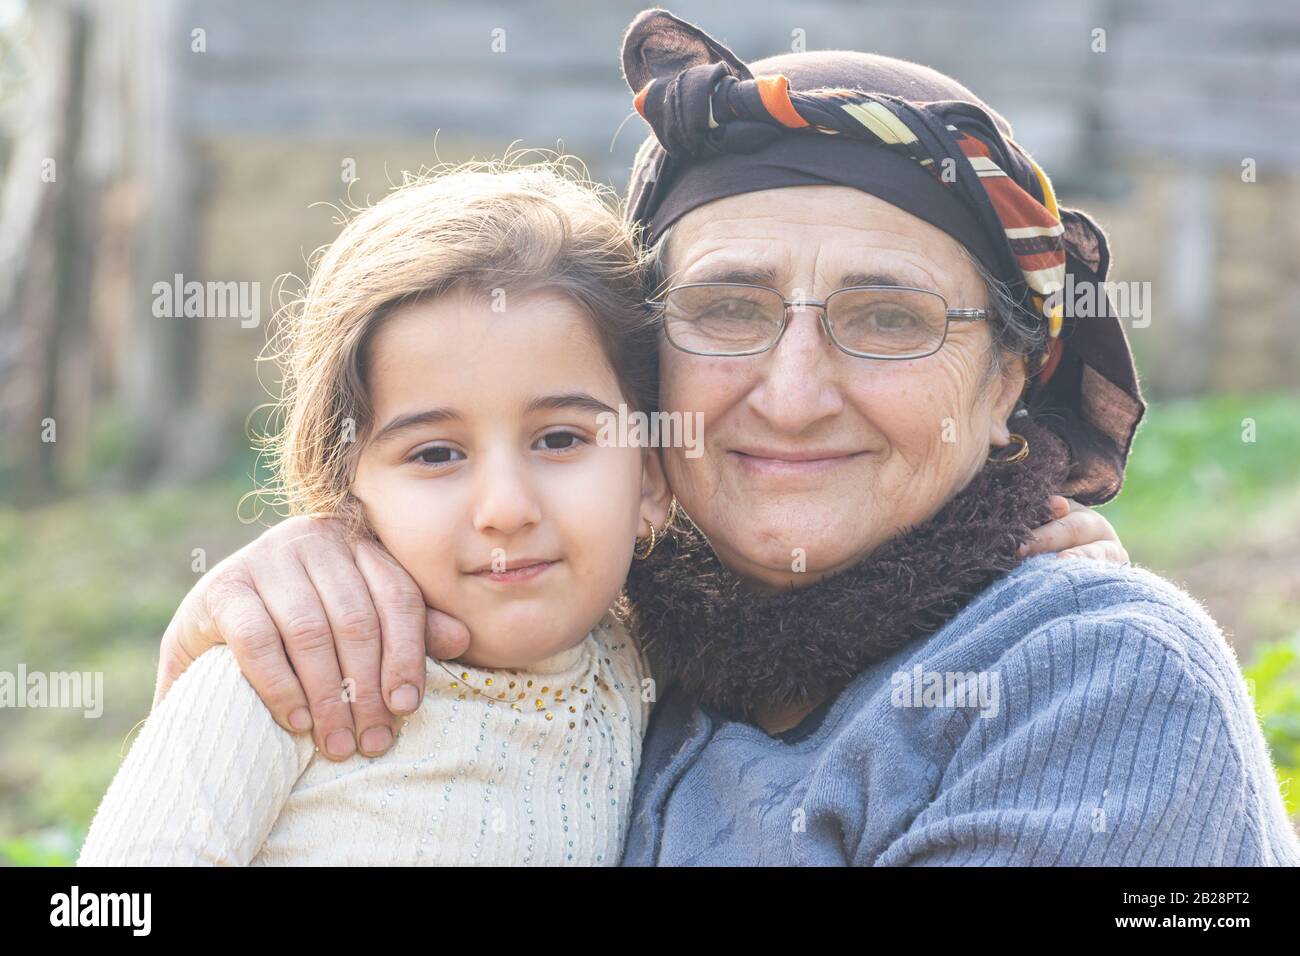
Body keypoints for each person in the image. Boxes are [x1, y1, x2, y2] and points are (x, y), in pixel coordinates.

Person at [150, 11, 1296, 865]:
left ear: (1007, 384)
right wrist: (278, 614)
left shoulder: (1090, 682)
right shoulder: (595, 654)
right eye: (728, 307)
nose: (791, 395)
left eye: (887, 318)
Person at [77, 163, 670, 865]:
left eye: (562, 439)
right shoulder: (279, 674)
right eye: (436, 454)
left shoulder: (646, 675)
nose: (507, 509)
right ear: (347, 494)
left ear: (652, 479)